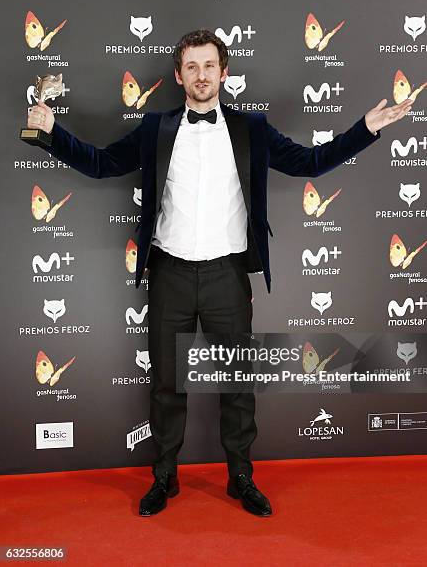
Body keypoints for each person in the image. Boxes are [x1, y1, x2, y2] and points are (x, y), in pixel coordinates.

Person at [27, 29, 413, 518]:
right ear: (178, 76)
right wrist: (50, 132)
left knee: (236, 383)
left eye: (210, 66)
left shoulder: (251, 128)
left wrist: (366, 128)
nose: (202, 75)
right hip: (169, 273)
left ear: (224, 72)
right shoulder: (156, 129)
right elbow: (102, 164)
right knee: (167, 384)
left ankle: (241, 477)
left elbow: (308, 162)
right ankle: (164, 477)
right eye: (192, 67)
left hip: (229, 276)